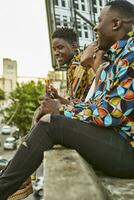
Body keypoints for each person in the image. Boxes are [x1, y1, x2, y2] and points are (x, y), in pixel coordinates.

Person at [0, 0, 134, 199]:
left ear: (115, 24)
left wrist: (61, 110)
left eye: (99, 20)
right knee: (48, 118)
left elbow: (113, 114)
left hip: (127, 152)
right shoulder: (115, 59)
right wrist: (62, 104)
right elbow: (95, 106)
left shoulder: (130, 57)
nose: (95, 26)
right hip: (115, 141)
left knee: (51, 125)